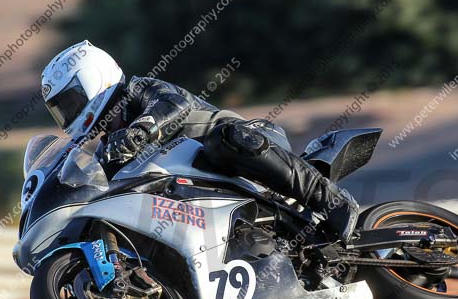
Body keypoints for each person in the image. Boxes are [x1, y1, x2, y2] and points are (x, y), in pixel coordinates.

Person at [40, 40, 357, 241]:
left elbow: (172, 105)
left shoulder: (138, 91)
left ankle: (330, 199)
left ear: (91, 80)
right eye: (60, 111)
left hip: (245, 146)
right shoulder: (109, 146)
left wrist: (141, 129)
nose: (67, 115)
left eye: (69, 103)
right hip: (200, 198)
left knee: (223, 140)